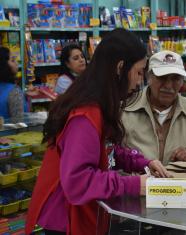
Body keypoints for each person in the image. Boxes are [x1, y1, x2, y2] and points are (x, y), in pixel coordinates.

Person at [25, 29, 171, 235]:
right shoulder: (85, 115)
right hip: (66, 220)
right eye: (139, 72)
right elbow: (77, 180)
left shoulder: (100, 104)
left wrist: (144, 163)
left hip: (84, 215)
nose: (140, 82)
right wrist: (133, 184)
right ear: (120, 68)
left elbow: (106, 150)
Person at [0, 46, 26, 121]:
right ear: (3, 65)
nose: (16, 63)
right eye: (13, 60)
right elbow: (19, 122)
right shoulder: (14, 91)